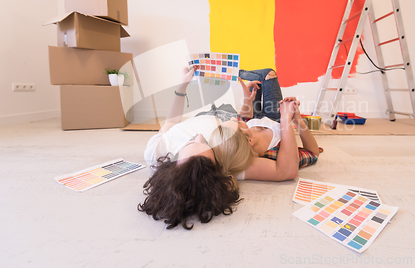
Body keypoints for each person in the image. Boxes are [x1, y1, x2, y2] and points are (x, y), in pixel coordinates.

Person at [138, 66, 322, 229]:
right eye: (204, 144)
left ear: (173, 165)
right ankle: (242, 74)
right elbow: (286, 170)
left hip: (233, 117)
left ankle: (239, 76)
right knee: (268, 75)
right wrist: (289, 121)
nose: (200, 136)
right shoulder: (227, 160)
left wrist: (182, 87)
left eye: (191, 142)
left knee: (256, 91)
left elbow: (171, 122)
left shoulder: (156, 152)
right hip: (249, 121)